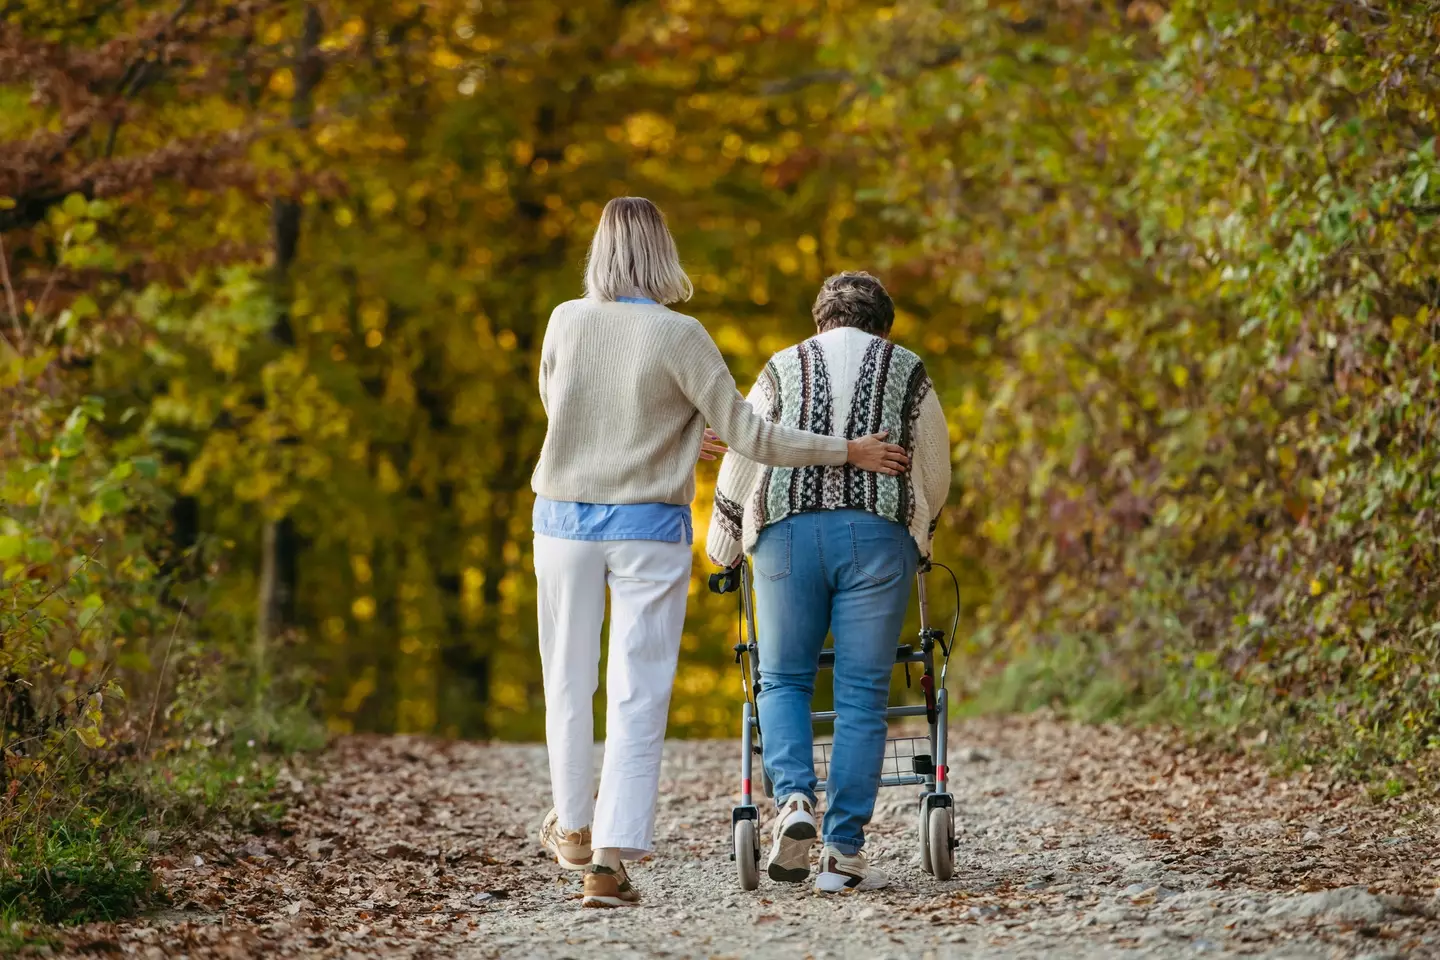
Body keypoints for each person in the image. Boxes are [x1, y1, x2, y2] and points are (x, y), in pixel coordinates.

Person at [530, 198, 910, 908]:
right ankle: (606, 865)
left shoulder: (564, 320)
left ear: (599, 252)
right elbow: (755, 436)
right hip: (647, 527)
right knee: (637, 691)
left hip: (562, 525)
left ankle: (573, 824)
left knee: (567, 680)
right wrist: (848, 451)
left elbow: (568, 411)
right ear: (662, 252)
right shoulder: (681, 334)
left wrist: (674, 437)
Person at [706, 271, 952, 893]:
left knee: (783, 677)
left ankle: (792, 803)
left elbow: (744, 453)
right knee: (863, 694)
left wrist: (724, 546)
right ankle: (842, 851)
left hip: (787, 531)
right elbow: (935, 468)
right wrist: (922, 530)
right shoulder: (908, 368)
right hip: (877, 537)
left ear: (821, 321)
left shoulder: (782, 367)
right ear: (884, 326)